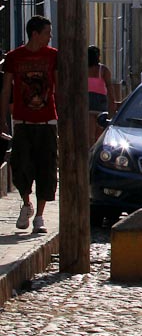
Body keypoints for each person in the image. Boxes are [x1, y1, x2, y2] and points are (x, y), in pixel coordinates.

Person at [0, 15, 59, 234]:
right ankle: (26, 204)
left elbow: (59, 87)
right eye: (47, 33)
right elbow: (6, 89)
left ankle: (40, 217)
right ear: (35, 34)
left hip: (47, 120)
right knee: (21, 165)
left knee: (47, 167)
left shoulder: (53, 56)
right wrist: (3, 119)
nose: (50, 37)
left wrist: (62, 118)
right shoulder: (14, 57)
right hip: (22, 121)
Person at [88, 45, 118, 143]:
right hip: (100, 101)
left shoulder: (83, 69)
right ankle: (97, 147)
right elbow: (109, 87)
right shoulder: (103, 70)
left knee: (90, 132)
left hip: (87, 100)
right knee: (100, 129)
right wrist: (112, 102)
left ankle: (91, 147)